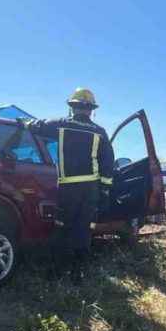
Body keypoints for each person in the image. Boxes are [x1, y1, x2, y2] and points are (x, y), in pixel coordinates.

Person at [19, 88, 114, 280]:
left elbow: (36, 126)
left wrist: (23, 123)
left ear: (72, 107)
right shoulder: (100, 132)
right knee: (84, 229)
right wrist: (104, 191)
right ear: (91, 110)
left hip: (67, 189)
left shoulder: (60, 125)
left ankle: (57, 272)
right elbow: (108, 163)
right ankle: (79, 273)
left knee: (62, 227)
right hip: (90, 190)